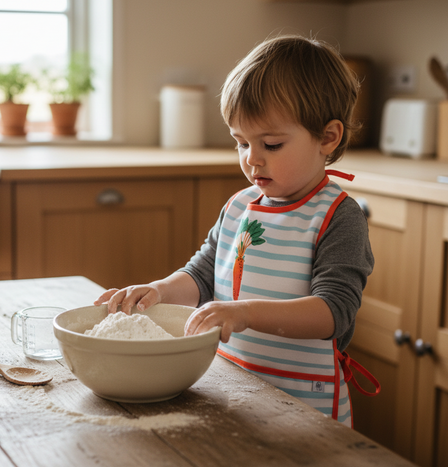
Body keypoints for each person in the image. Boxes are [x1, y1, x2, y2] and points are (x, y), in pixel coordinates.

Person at [94, 34, 379, 427]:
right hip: (233, 391)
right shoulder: (240, 206)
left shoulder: (337, 217)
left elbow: (333, 312)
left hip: (304, 411)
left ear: (327, 138)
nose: (252, 159)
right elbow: (201, 275)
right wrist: (159, 290)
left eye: (272, 144)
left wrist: (244, 313)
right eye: (241, 142)